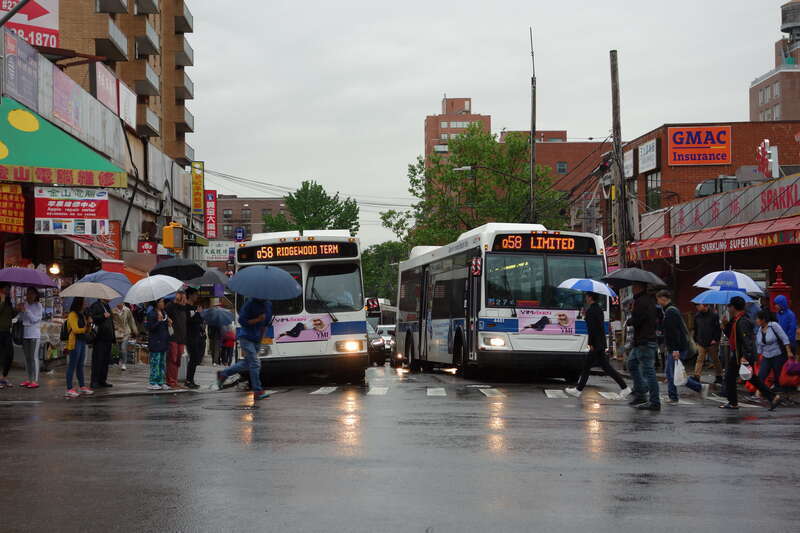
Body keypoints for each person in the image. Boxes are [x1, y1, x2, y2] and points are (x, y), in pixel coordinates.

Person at [565, 292, 631, 398]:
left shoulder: (591, 311)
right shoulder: (598, 309)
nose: (585, 298)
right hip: (600, 342)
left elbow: (592, 329)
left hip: (595, 343)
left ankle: (578, 390)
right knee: (605, 367)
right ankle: (624, 387)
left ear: (590, 297)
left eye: (586, 296)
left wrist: (590, 343)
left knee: (587, 367)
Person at [721, 296, 780, 410]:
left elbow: (747, 340)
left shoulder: (743, 321)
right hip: (738, 354)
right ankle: (772, 397)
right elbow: (732, 336)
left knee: (731, 376)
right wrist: (725, 325)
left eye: (729, 306)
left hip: (742, 355)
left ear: (733, 307)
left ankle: (733, 402)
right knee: (751, 378)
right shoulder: (736, 319)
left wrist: (745, 356)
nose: (728, 309)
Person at [657, 290, 710, 404]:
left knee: (672, 373)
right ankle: (698, 388)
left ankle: (674, 397)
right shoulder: (669, 310)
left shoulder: (671, 312)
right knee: (674, 373)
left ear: (663, 298)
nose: (658, 302)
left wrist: (675, 350)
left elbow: (674, 332)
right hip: (677, 347)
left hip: (677, 348)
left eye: (658, 299)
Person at [216, 297, 271, 401]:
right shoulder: (250, 303)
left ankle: (223, 374)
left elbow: (266, 323)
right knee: (255, 363)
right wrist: (257, 319)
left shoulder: (268, 304)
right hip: (246, 337)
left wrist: (262, 337)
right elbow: (242, 320)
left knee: (247, 363)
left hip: (257, 338)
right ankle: (257, 391)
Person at [627, 283, 661, 411]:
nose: (632, 289)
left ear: (639, 287)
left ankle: (654, 401)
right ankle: (641, 393)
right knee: (631, 364)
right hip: (642, 341)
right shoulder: (647, 300)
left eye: (634, 287)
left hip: (644, 341)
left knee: (649, 371)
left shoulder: (642, 301)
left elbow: (638, 320)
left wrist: (631, 318)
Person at [755, 309, 794, 393]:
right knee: (761, 374)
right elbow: (760, 344)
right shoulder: (759, 329)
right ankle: (758, 394)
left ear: (763, 319)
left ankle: (778, 393)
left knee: (778, 376)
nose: (756, 320)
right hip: (766, 355)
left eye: (758, 318)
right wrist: (758, 357)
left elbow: (784, 338)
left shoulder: (774, 325)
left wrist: (789, 351)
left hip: (777, 355)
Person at [64, 298, 93, 398]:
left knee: (80, 365)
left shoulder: (83, 315)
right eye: (84, 302)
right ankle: (69, 388)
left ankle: (82, 386)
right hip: (74, 342)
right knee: (72, 365)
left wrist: (89, 323)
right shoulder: (72, 314)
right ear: (79, 303)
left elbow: (87, 331)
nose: (86, 303)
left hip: (82, 341)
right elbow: (76, 329)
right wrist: (85, 329)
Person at [17, 287, 43, 389]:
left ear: (36, 295)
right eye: (28, 293)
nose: (30, 295)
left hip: (34, 335)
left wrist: (26, 311)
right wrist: (20, 311)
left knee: (34, 357)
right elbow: (21, 319)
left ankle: (35, 380)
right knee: (27, 358)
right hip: (25, 334)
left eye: (32, 293)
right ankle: (29, 379)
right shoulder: (25, 305)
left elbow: (35, 320)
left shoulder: (39, 306)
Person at [692, 303, 723, 385]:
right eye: (697, 305)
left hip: (712, 342)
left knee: (715, 359)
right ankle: (696, 376)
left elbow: (718, 329)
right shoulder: (697, 316)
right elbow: (695, 328)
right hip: (701, 341)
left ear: (705, 305)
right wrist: (696, 339)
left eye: (699, 305)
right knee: (700, 359)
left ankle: (719, 376)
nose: (697, 307)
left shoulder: (714, 315)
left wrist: (715, 339)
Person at [88, 297, 116, 388]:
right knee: (98, 360)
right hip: (100, 337)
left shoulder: (107, 306)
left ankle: (102, 380)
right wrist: (103, 316)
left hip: (108, 337)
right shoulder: (96, 306)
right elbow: (92, 318)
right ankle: (94, 381)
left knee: (105, 360)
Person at [146, 299, 171, 391]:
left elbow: (164, 327)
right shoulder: (151, 314)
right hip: (155, 342)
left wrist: (168, 322)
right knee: (155, 362)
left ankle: (161, 381)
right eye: (161, 302)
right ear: (156, 303)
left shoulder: (164, 313)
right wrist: (159, 321)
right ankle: (153, 382)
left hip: (163, 341)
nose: (163, 303)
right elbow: (150, 328)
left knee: (161, 363)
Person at [165, 291, 189, 389]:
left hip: (181, 338)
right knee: (172, 359)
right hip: (173, 337)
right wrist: (175, 300)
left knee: (178, 360)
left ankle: (174, 380)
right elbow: (168, 311)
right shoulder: (171, 306)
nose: (184, 300)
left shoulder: (183, 309)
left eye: (185, 297)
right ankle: (171, 381)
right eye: (182, 298)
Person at [184, 290, 206, 389]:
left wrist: (199, 313)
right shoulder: (186, 307)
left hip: (198, 336)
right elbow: (188, 320)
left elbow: (199, 321)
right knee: (193, 358)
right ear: (190, 295)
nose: (197, 296)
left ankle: (191, 379)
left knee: (196, 358)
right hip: (190, 336)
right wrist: (197, 313)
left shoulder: (195, 307)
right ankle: (188, 380)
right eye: (195, 295)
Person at [112, 302, 138, 371]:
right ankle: (120, 360)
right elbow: (112, 321)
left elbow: (131, 320)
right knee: (119, 349)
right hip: (117, 332)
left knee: (123, 348)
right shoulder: (113, 310)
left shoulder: (127, 310)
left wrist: (135, 330)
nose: (118, 304)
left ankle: (124, 363)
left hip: (126, 331)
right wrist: (115, 327)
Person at [0, 284, 17, 388]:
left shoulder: (8, 301)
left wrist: (17, 309)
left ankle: (4, 377)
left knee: (9, 355)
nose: (8, 290)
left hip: (7, 331)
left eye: (9, 289)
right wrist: (1, 300)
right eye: (6, 288)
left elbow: (10, 315)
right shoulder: (2, 300)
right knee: (1, 356)